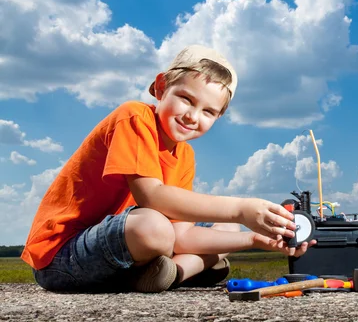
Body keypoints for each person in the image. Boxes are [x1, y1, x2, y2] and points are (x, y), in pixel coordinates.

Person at [21, 44, 316, 293]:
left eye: (208, 112)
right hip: (61, 257)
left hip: (123, 255)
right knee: (153, 226)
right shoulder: (134, 117)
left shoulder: (184, 155)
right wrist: (241, 207)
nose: (192, 116)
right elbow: (152, 197)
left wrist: (254, 240)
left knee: (225, 226)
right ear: (161, 87)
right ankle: (193, 267)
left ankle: (171, 273)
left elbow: (182, 235)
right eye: (186, 99)